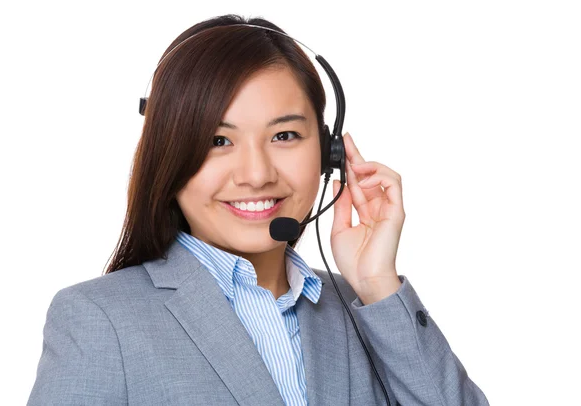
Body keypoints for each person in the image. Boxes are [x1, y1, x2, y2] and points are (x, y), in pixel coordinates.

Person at [27, 14, 490, 406]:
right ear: (169, 157)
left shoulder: (366, 309)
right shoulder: (97, 320)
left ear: (331, 153)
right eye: (218, 141)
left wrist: (376, 286)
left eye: (284, 136)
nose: (255, 174)